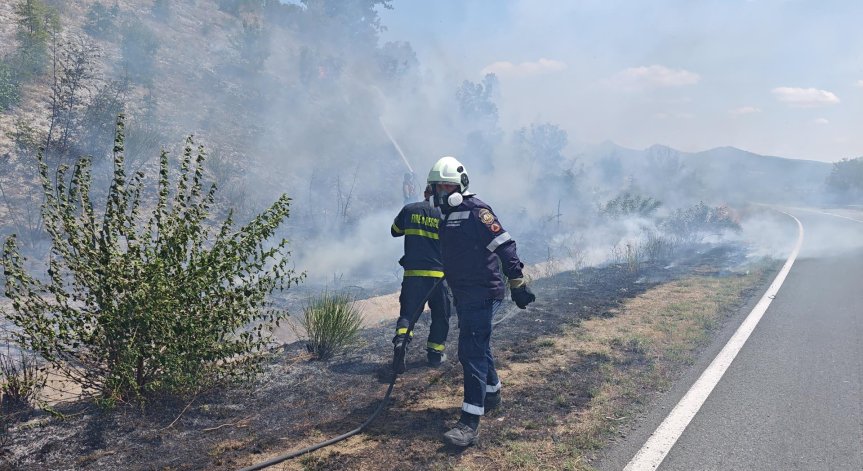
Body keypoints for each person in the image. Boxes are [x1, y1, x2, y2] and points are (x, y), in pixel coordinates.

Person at [426, 155, 536, 447]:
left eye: (444, 188)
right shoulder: (448, 215)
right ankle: (492, 393)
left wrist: (518, 282)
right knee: (479, 344)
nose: (439, 194)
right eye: (435, 188)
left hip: (482, 292)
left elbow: (505, 245)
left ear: (460, 185)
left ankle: (469, 422)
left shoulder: (477, 211)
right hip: (464, 293)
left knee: (470, 351)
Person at [390, 185, 453, 374]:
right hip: (438, 277)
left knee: (408, 315)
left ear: (425, 194)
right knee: (441, 315)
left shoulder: (409, 209)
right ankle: (435, 354)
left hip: (413, 276)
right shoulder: (445, 215)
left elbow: (395, 230)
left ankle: (401, 343)